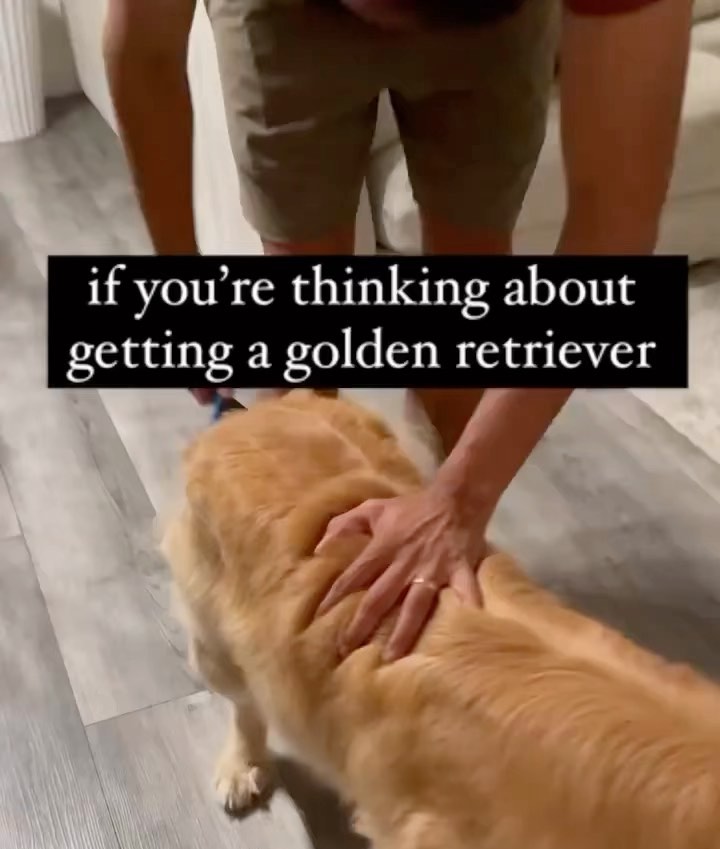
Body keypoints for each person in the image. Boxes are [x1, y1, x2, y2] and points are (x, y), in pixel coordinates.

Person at [104, 0, 692, 660]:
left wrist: (458, 504)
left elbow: (614, 233)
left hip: (498, 30)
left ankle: (434, 596)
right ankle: (305, 630)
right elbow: (145, 51)